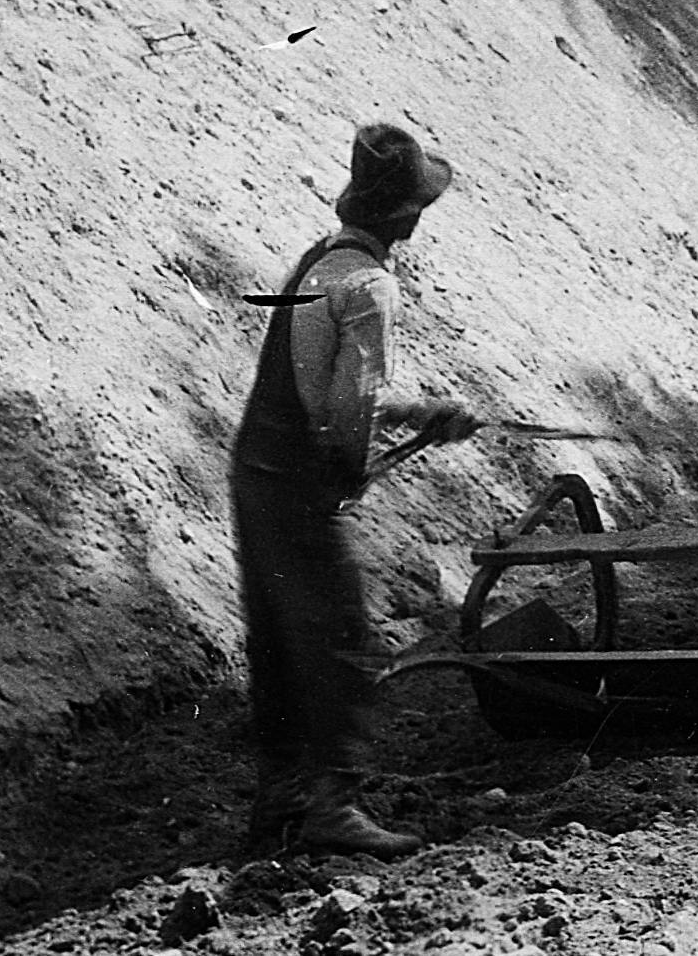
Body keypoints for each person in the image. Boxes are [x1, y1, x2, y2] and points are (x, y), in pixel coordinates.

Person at [230, 123, 480, 857]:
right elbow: (345, 418)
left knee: (279, 642)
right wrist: (352, 473)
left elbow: (331, 387)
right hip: (298, 483)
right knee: (342, 641)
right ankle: (330, 807)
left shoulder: (319, 265)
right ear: (408, 218)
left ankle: (279, 799)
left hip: (256, 470)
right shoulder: (371, 287)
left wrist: (419, 413)